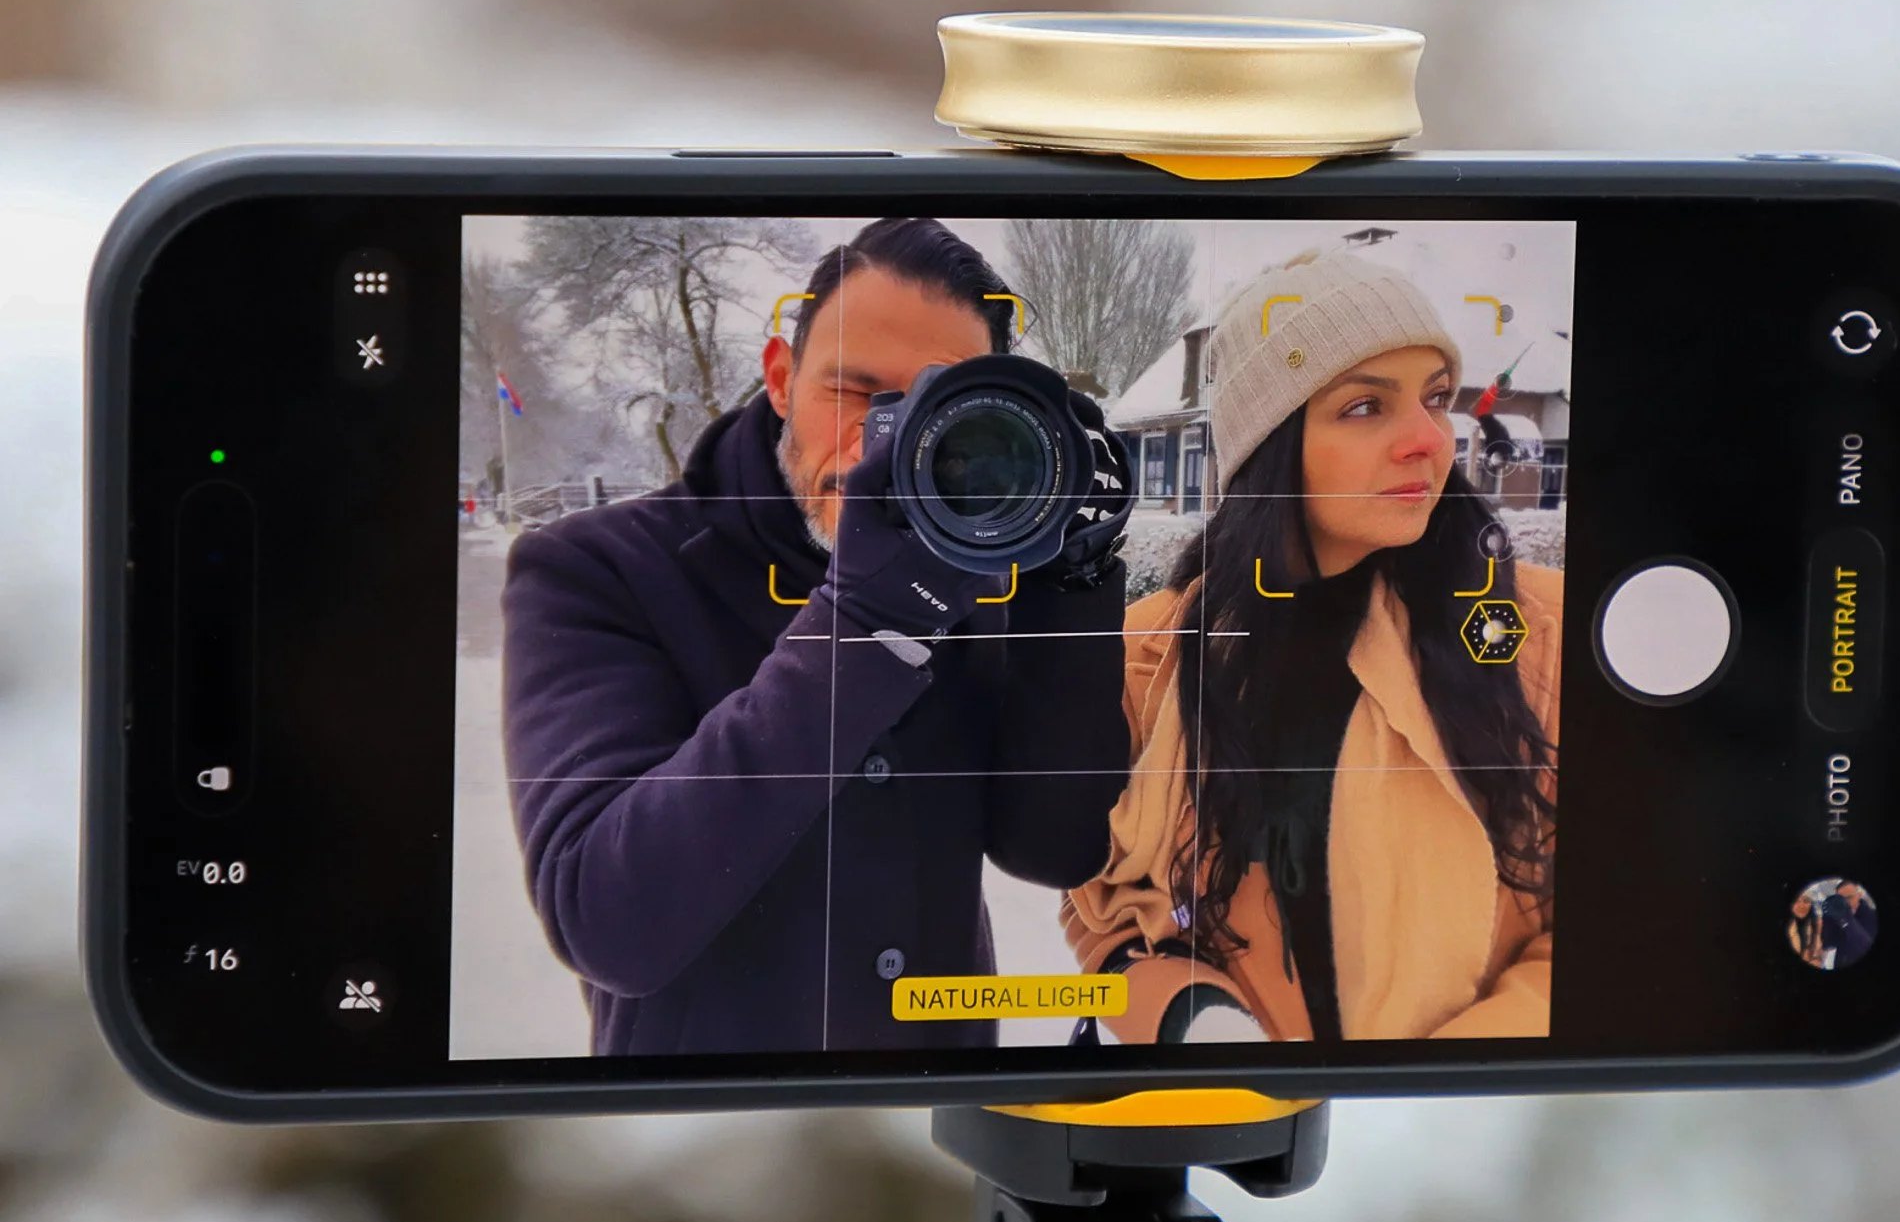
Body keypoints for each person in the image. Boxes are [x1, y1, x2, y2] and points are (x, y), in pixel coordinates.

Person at [502, 217, 1132, 1056]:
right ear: (779, 377)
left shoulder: (971, 557)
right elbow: (607, 919)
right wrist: (865, 629)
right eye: (858, 393)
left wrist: (1071, 582)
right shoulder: (598, 568)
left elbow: (1053, 846)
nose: (888, 444)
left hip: (937, 1107)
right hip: (704, 1141)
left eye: (930, 409)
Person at [1064, 247, 1561, 1043]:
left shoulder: (1536, 634)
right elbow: (1106, 908)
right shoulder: (1153, 656)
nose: (1429, 441)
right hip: (1238, 1117)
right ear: (1270, 446)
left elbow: (1608, 918)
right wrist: (1186, 1015)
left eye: (1436, 399)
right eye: (1365, 407)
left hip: (1472, 1139)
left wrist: (1443, 1091)